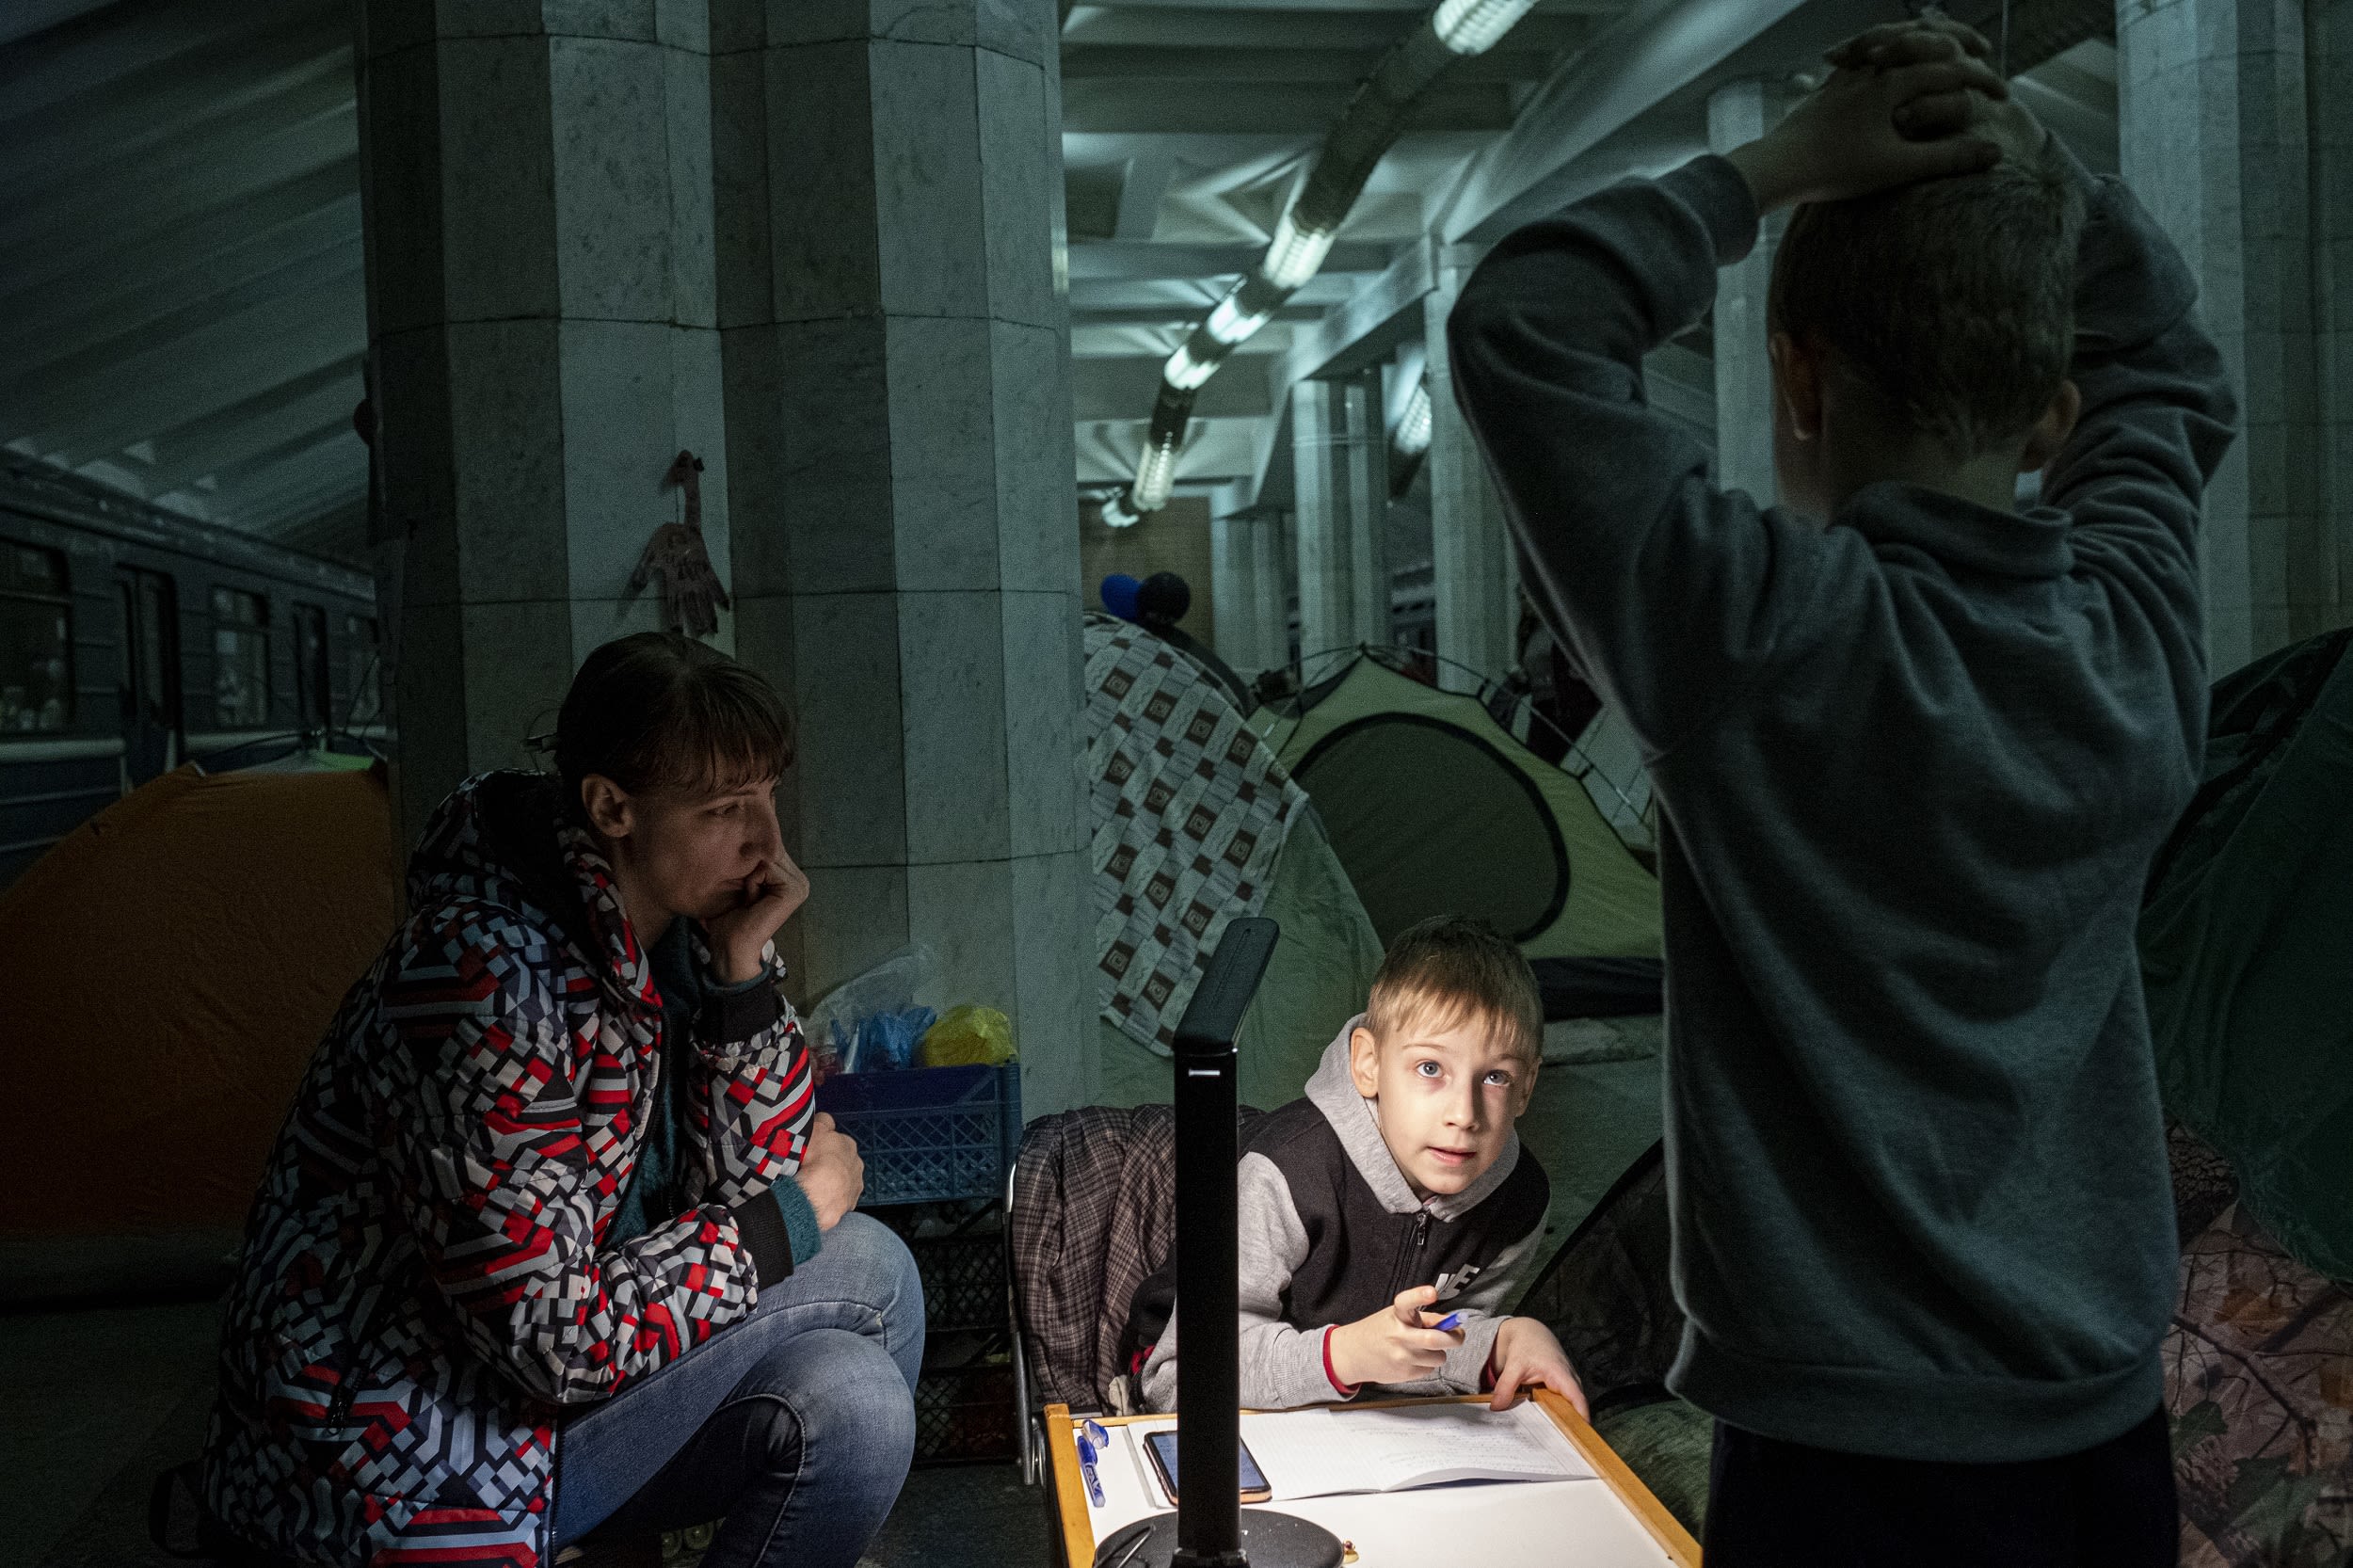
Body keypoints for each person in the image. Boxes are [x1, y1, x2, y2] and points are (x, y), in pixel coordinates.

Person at [1449, 14, 2234, 1565]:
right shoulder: (2135, 641)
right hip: (2097, 1435)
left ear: (1795, 379)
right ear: (2049, 410)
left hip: (1837, 1451)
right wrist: (2017, 142)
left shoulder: (1754, 637)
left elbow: (1522, 327)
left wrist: (1784, 160)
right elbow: (2173, 366)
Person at [200, 632, 923, 1568]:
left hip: (527, 1416)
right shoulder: (475, 977)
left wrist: (744, 973)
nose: (766, 841)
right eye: (721, 808)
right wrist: (796, 1213)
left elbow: (749, 1183)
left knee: (856, 1387)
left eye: (767, 794)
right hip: (409, 1462)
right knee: (865, 1268)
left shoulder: (671, 936)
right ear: (610, 807)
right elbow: (550, 1336)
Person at [1134, 916, 1584, 1416]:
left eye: (1496, 1077)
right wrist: (1344, 1357)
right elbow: (1175, 1381)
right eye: (1430, 1068)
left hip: (1362, 1425)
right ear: (1367, 1063)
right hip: (1200, 1402)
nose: (1464, 1115)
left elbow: (1436, 1345)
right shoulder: (1284, 1172)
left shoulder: (1520, 1199)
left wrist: (1503, 1341)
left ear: (1527, 1087)